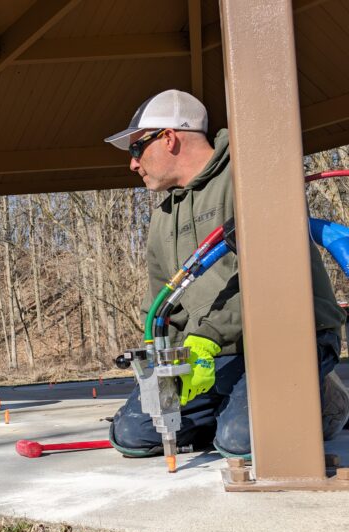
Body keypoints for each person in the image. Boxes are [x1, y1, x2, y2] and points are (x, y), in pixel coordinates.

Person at [104, 89, 349, 458]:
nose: (133, 164)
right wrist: (164, 358)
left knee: (240, 442)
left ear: (169, 138)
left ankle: (326, 403)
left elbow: (272, 280)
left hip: (286, 337)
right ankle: (236, 408)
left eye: (137, 149)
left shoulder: (251, 175)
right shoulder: (162, 217)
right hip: (213, 353)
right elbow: (159, 303)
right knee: (132, 433)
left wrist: (206, 337)